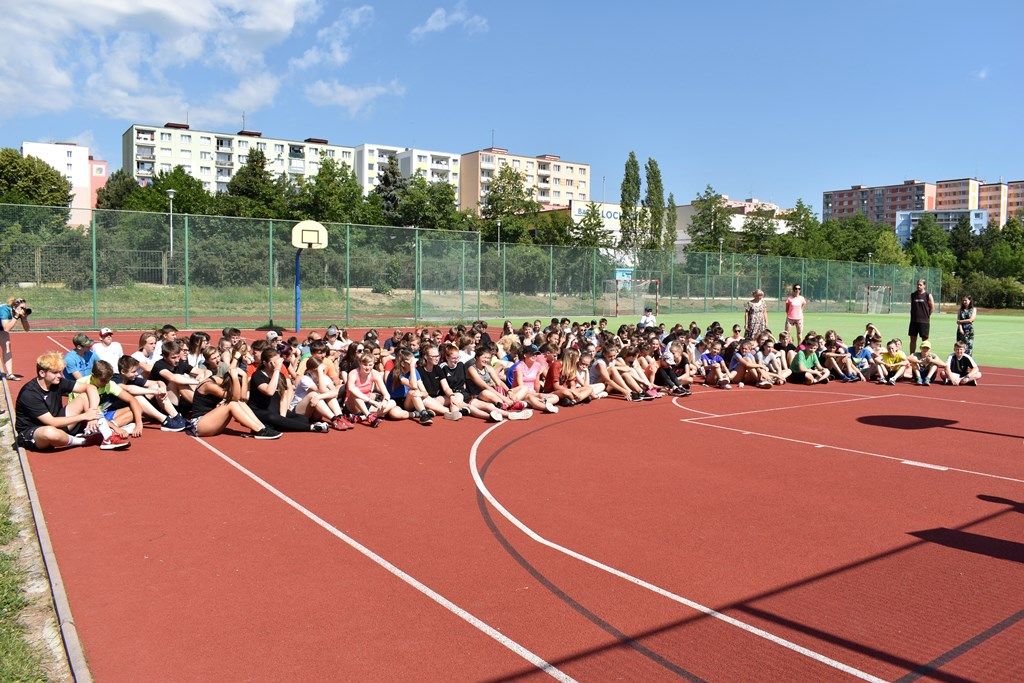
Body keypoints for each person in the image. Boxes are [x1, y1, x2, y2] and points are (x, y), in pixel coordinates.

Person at [14, 351, 108, 451]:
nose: (60, 375)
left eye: (60, 372)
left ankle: (108, 436)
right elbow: (52, 422)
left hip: (57, 423)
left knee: (84, 397)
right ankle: (82, 441)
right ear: (42, 373)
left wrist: (92, 413)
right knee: (49, 432)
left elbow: (90, 387)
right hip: (35, 432)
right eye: (55, 372)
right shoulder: (30, 394)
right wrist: (84, 416)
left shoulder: (58, 382)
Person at [187, 352, 281, 439]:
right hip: (199, 425)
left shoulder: (222, 381)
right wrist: (235, 378)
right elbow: (235, 398)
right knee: (231, 403)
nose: (237, 388)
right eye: (236, 384)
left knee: (239, 402)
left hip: (212, 422)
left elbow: (242, 397)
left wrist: (244, 376)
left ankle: (261, 428)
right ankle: (260, 431)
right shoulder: (209, 385)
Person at [247, 348, 334, 433]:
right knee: (272, 417)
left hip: (276, 411)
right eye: (272, 362)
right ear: (265, 363)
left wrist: (282, 417)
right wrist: (277, 369)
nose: (276, 364)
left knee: (303, 419)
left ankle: (277, 426)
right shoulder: (258, 375)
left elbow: (283, 398)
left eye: (277, 362)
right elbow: (269, 392)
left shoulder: (280, 376)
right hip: (260, 411)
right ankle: (313, 428)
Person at [0, 296, 31, 380]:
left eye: (25, 308)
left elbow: (27, 329)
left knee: (7, 345)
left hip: (1, 328)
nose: (23, 309)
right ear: (14, 306)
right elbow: (6, 328)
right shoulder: (4, 310)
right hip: (3, 327)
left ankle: (10, 374)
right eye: (22, 307)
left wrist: (24, 318)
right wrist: (16, 316)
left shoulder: (17, 312)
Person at [908, 279, 934, 354]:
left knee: (925, 341)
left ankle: (926, 356)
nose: (918, 286)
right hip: (914, 321)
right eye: (918, 284)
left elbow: (932, 307)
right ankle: (911, 355)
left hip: (924, 322)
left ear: (924, 286)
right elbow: (912, 307)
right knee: (912, 340)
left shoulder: (928, 295)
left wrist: (927, 315)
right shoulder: (913, 295)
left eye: (920, 285)